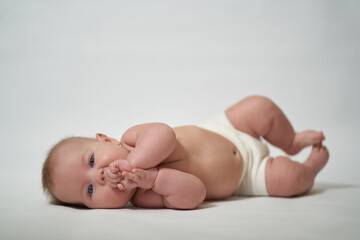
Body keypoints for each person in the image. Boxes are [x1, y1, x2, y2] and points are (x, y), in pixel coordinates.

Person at [42, 95, 329, 210]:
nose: (100, 176)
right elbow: (196, 193)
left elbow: (165, 136)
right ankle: (311, 168)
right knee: (291, 180)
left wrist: (132, 161)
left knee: (259, 106)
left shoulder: (132, 138)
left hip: (227, 129)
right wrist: (151, 179)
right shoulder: (144, 197)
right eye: (90, 191)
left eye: (92, 161)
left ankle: (290, 141)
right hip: (247, 176)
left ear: (105, 138)